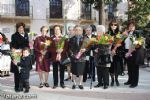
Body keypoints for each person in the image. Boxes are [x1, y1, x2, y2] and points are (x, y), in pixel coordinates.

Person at [10, 22, 29, 92]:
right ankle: (17, 86)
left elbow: (27, 44)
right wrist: (18, 50)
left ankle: (23, 84)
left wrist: (28, 51)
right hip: (17, 54)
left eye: (22, 27)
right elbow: (13, 45)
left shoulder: (26, 34)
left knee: (24, 71)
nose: (21, 29)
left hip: (24, 54)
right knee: (17, 71)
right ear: (17, 29)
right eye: (19, 28)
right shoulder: (14, 35)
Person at [124, 21, 143, 88]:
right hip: (127, 52)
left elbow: (139, 42)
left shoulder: (137, 33)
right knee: (129, 68)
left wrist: (134, 47)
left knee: (135, 68)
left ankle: (134, 83)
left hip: (135, 52)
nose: (131, 27)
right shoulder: (127, 33)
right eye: (130, 26)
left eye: (132, 26)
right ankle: (130, 80)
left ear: (134, 27)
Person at [69, 25, 86, 89]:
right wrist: (73, 55)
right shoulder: (71, 39)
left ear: (81, 31)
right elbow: (69, 49)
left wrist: (85, 50)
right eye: (76, 30)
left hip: (82, 57)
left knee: (81, 72)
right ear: (74, 31)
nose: (78, 31)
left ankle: (80, 84)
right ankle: (74, 84)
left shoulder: (85, 39)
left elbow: (89, 47)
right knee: (73, 71)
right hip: (74, 57)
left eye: (79, 30)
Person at [108, 20, 124, 86]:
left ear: (117, 26)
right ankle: (112, 80)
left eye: (115, 25)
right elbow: (106, 43)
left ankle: (116, 79)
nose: (113, 26)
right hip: (110, 52)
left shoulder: (120, 33)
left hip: (118, 52)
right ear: (110, 25)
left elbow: (123, 43)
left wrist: (119, 45)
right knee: (111, 67)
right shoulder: (107, 33)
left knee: (117, 67)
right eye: (112, 24)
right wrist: (110, 49)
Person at [94, 25, 111, 89]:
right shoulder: (95, 38)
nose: (99, 31)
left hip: (105, 56)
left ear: (103, 31)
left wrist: (100, 48)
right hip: (97, 57)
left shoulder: (107, 37)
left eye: (100, 30)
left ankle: (106, 83)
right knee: (99, 70)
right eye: (98, 30)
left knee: (105, 71)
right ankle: (100, 82)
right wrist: (94, 49)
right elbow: (92, 45)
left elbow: (109, 46)